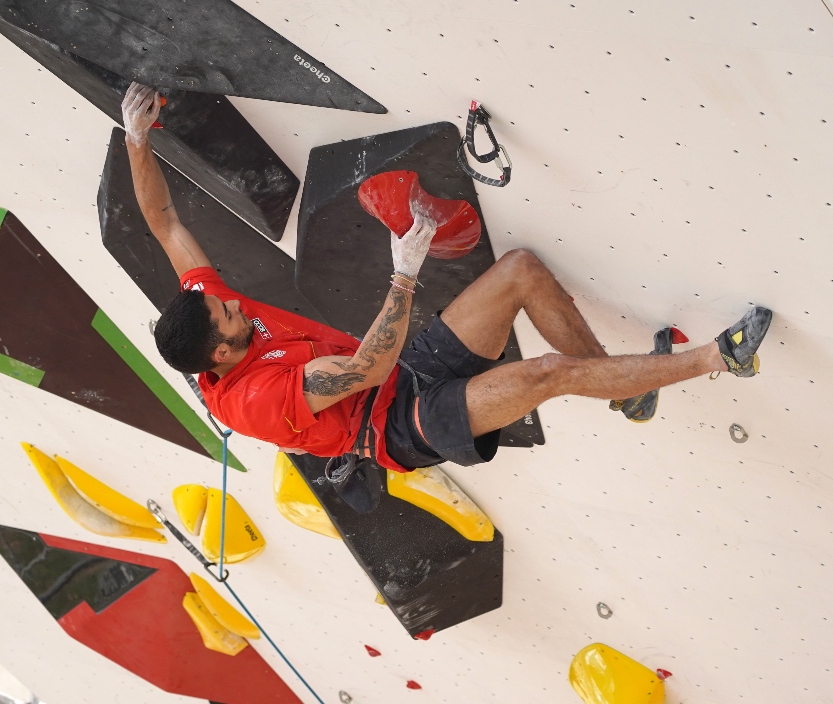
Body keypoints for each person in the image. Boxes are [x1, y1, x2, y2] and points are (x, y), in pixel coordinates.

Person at [121, 82, 772, 480]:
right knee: (547, 374)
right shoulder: (252, 400)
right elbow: (364, 372)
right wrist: (403, 275)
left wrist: (136, 139)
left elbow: (164, 222)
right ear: (224, 355)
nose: (234, 303)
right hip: (399, 423)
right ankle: (719, 357)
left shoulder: (205, 313)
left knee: (520, 272)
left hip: (406, 370)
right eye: (231, 319)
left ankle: (626, 391)